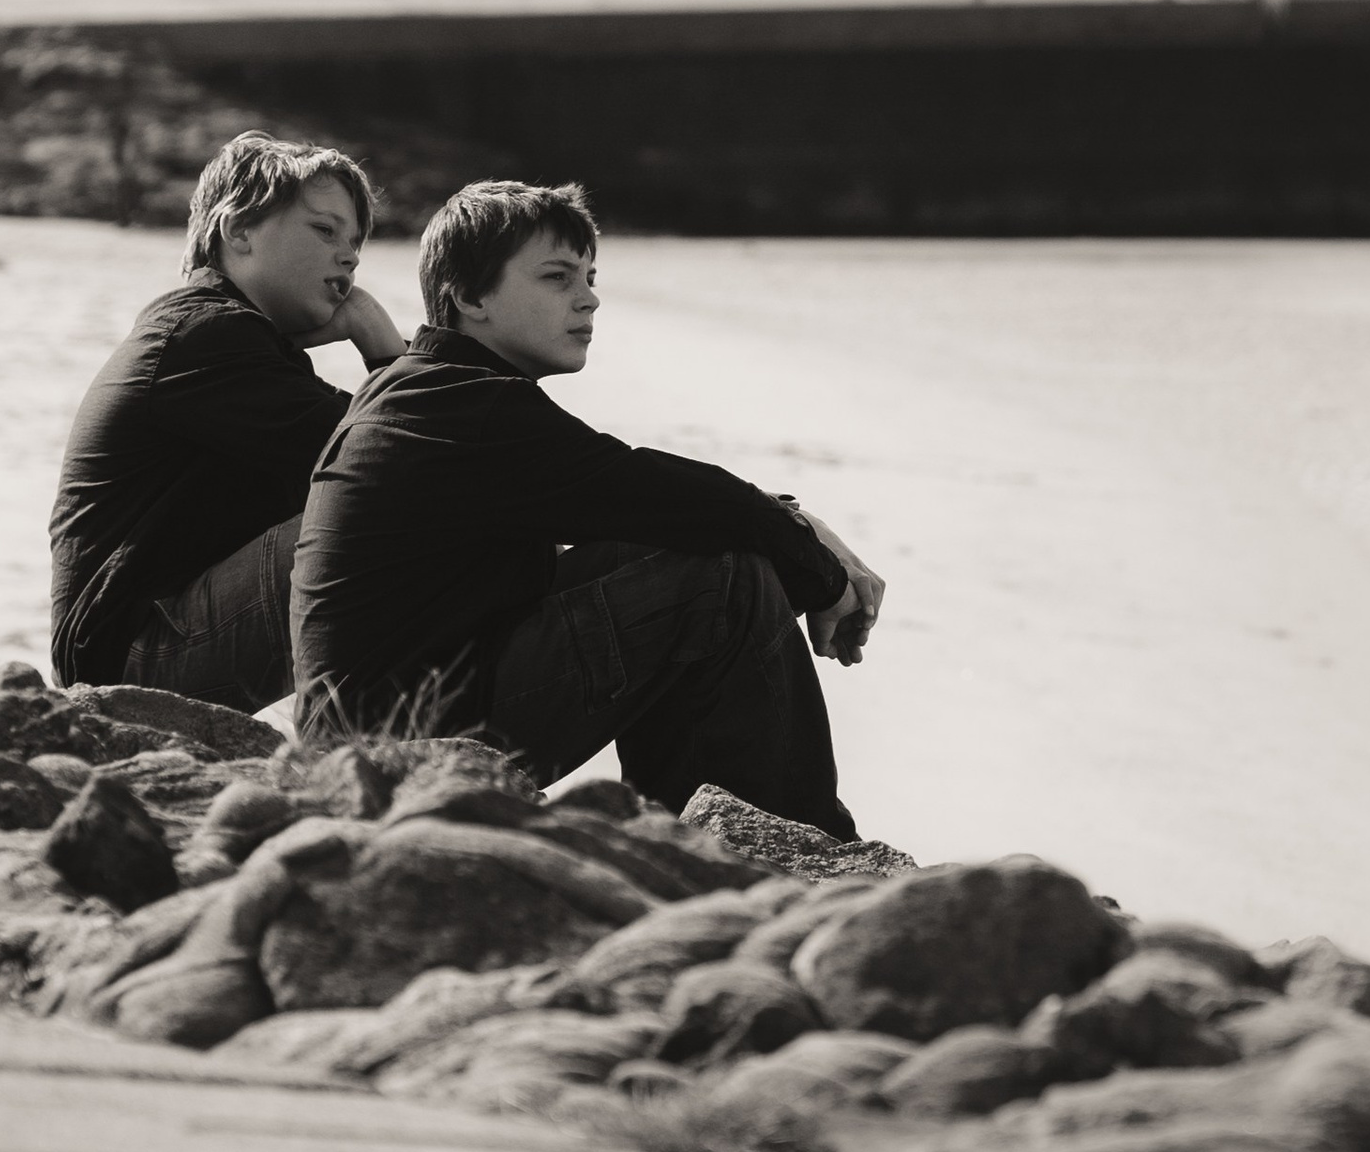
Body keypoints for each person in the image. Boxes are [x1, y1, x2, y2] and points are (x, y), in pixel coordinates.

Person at [290, 178, 881, 832]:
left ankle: (707, 827)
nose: (589, 298)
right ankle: (801, 840)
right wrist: (817, 562)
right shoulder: (468, 407)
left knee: (691, 548)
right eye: (557, 277)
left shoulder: (430, 391)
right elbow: (665, 494)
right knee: (723, 579)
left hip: (382, 731)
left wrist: (797, 532)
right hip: (397, 751)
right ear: (469, 296)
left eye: (590, 276)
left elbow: (660, 505)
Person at [48, 132, 405, 704]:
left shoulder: (235, 344)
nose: (350, 256)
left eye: (356, 244)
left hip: (142, 646)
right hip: (131, 661)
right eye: (325, 230)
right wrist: (383, 348)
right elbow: (400, 454)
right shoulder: (206, 336)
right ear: (238, 231)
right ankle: (376, 749)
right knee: (397, 509)